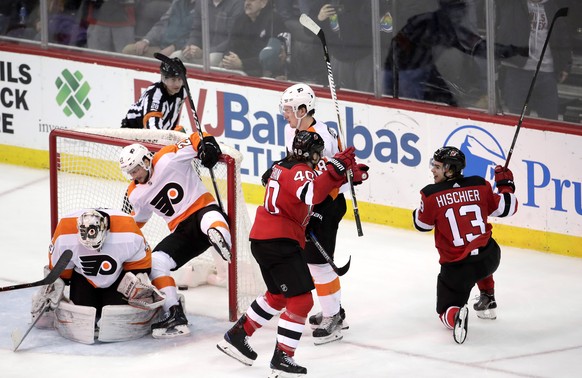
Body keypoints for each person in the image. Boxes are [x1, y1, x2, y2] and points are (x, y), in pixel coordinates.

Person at [216, 130, 368, 376]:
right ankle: (282, 358)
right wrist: (334, 170)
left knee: (277, 296)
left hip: (263, 240)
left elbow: (310, 187)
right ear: (311, 154)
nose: (320, 158)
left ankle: (236, 336)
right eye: (318, 154)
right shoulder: (300, 171)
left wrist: (341, 175)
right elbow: (313, 193)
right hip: (280, 242)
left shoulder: (284, 166)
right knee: (302, 301)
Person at [279, 83, 369, 345]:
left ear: (303, 109)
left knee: (318, 263)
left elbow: (338, 170)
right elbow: (295, 164)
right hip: (308, 203)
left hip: (326, 205)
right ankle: (333, 309)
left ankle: (334, 318)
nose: (284, 114)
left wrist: (351, 172)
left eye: (288, 109)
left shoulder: (324, 136)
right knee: (312, 261)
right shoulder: (290, 130)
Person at [119, 131, 231, 338]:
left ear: (145, 160)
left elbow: (196, 137)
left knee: (211, 221)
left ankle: (221, 238)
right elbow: (139, 219)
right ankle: (174, 312)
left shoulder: (167, 157)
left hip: (202, 209)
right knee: (156, 262)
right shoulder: (135, 193)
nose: (134, 175)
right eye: (130, 172)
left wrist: (207, 146)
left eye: (135, 169)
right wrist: (120, 233)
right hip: (182, 232)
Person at [412, 147, 518, 344]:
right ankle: (488, 298)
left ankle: (456, 315)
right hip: (490, 258)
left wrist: (422, 209)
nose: (432, 170)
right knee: (481, 243)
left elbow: (421, 225)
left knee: (446, 310)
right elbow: (508, 207)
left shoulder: (430, 194)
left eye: (437, 166)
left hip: (458, 268)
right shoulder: (480, 184)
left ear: (450, 170)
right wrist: (505, 184)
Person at [35, 208, 163, 333]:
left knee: (115, 319)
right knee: (83, 314)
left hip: (118, 279)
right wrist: (55, 284)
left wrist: (138, 280)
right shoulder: (64, 234)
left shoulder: (128, 231)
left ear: (105, 230)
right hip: (83, 278)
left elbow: (141, 264)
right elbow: (61, 272)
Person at [496, 0, 573, 120]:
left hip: (547, 72)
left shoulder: (552, 7)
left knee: (550, 120)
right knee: (516, 120)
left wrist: (565, 65)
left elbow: (562, 37)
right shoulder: (512, 4)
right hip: (517, 70)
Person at [220, 0, 288, 78]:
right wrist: (228, 59)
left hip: (263, 71)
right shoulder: (240, 19)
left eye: (252, 0)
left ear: (263, 3)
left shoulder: (274, 21)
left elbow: (269, 58)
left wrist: (242, 64)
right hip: (240, 65)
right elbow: (230, 45)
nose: (247, 3)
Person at [121, 57, 187, 130]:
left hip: (159, 132)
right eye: (173, 80)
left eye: (180, 79)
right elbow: (152, 128)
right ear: (164, 78)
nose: (177, 84)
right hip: (133, 133)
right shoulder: (155, 95)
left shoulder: (182, 90)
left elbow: (171, 115)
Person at [172, 0, 244, 67]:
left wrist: (204, 52)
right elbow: (196, 30)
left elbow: (232, 39)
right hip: (201, 52)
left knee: (212, 59)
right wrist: (190, 47)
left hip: (222, 52)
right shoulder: (201, 2)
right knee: (175, 56)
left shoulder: (237, 3)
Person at [122, 0, 196, 59]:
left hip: (183, 50)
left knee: (174, 57)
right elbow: (162, 24)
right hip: (162, 47)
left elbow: (198, 35)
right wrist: (146, 41)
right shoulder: (177, 2)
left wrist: (175, 47)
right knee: (128, 50)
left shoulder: (203, 7)